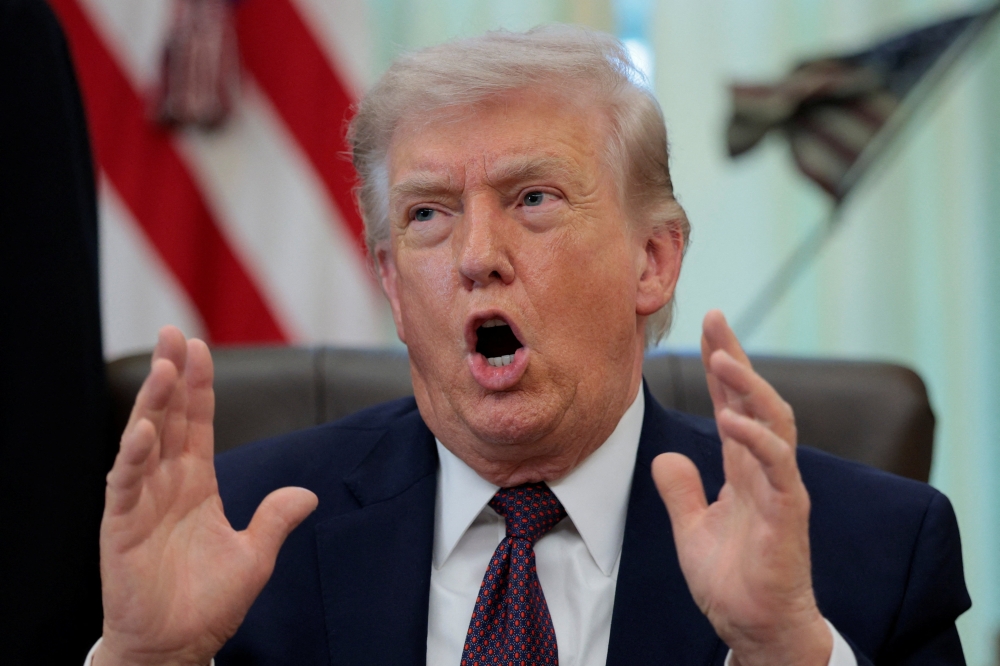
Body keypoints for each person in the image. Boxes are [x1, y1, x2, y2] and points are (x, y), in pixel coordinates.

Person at [87, 26, 969, 666]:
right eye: (428, 214)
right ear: (393, 288)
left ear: (652, 261)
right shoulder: (230, 535)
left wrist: (781, 653)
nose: (477, 257)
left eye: (534, 199)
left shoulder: (868, 554)